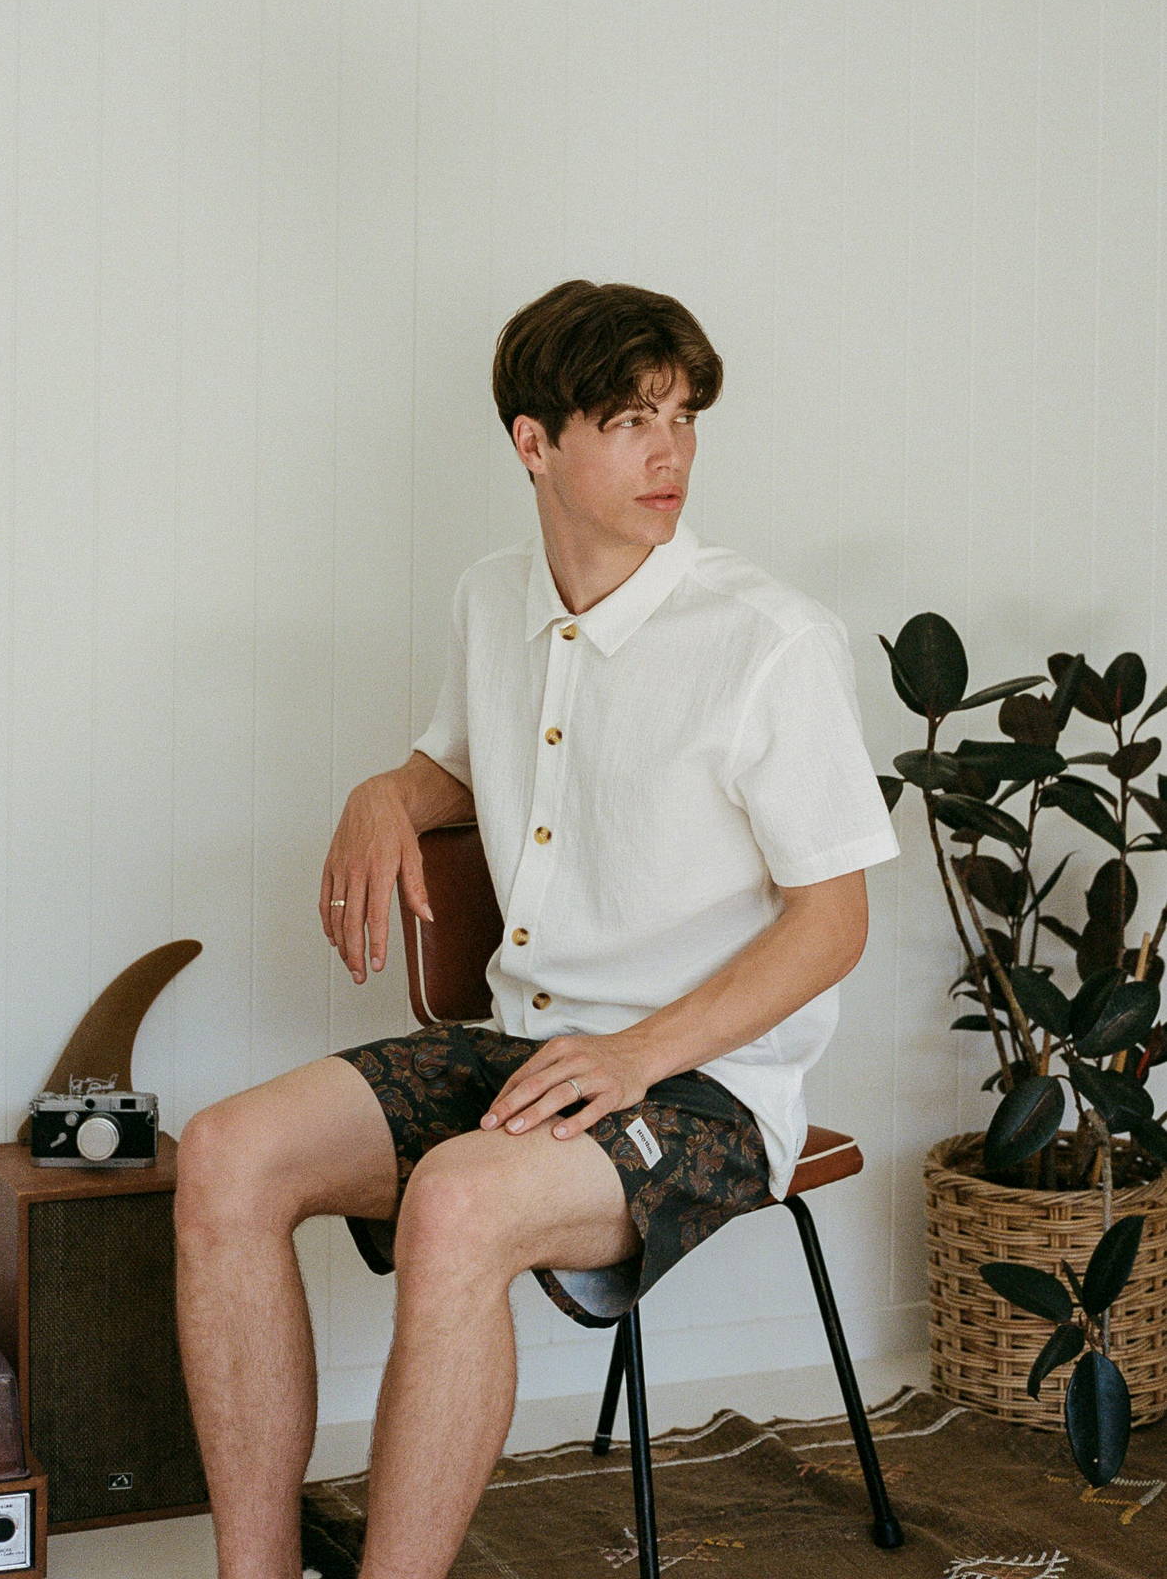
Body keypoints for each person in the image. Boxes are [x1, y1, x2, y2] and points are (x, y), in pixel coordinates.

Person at [174, 279, 900, 1579]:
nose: (670, 452)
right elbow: (459, 766)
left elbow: (831, 923)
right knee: (228, 1154)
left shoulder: (770, 641)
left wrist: (634, 1055)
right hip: (525, 1046)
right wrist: (386, 792)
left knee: (458, 1205)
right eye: (629, 420)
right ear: (533, 443)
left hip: (705, 1087)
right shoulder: (491, 598)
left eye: (682, 417)